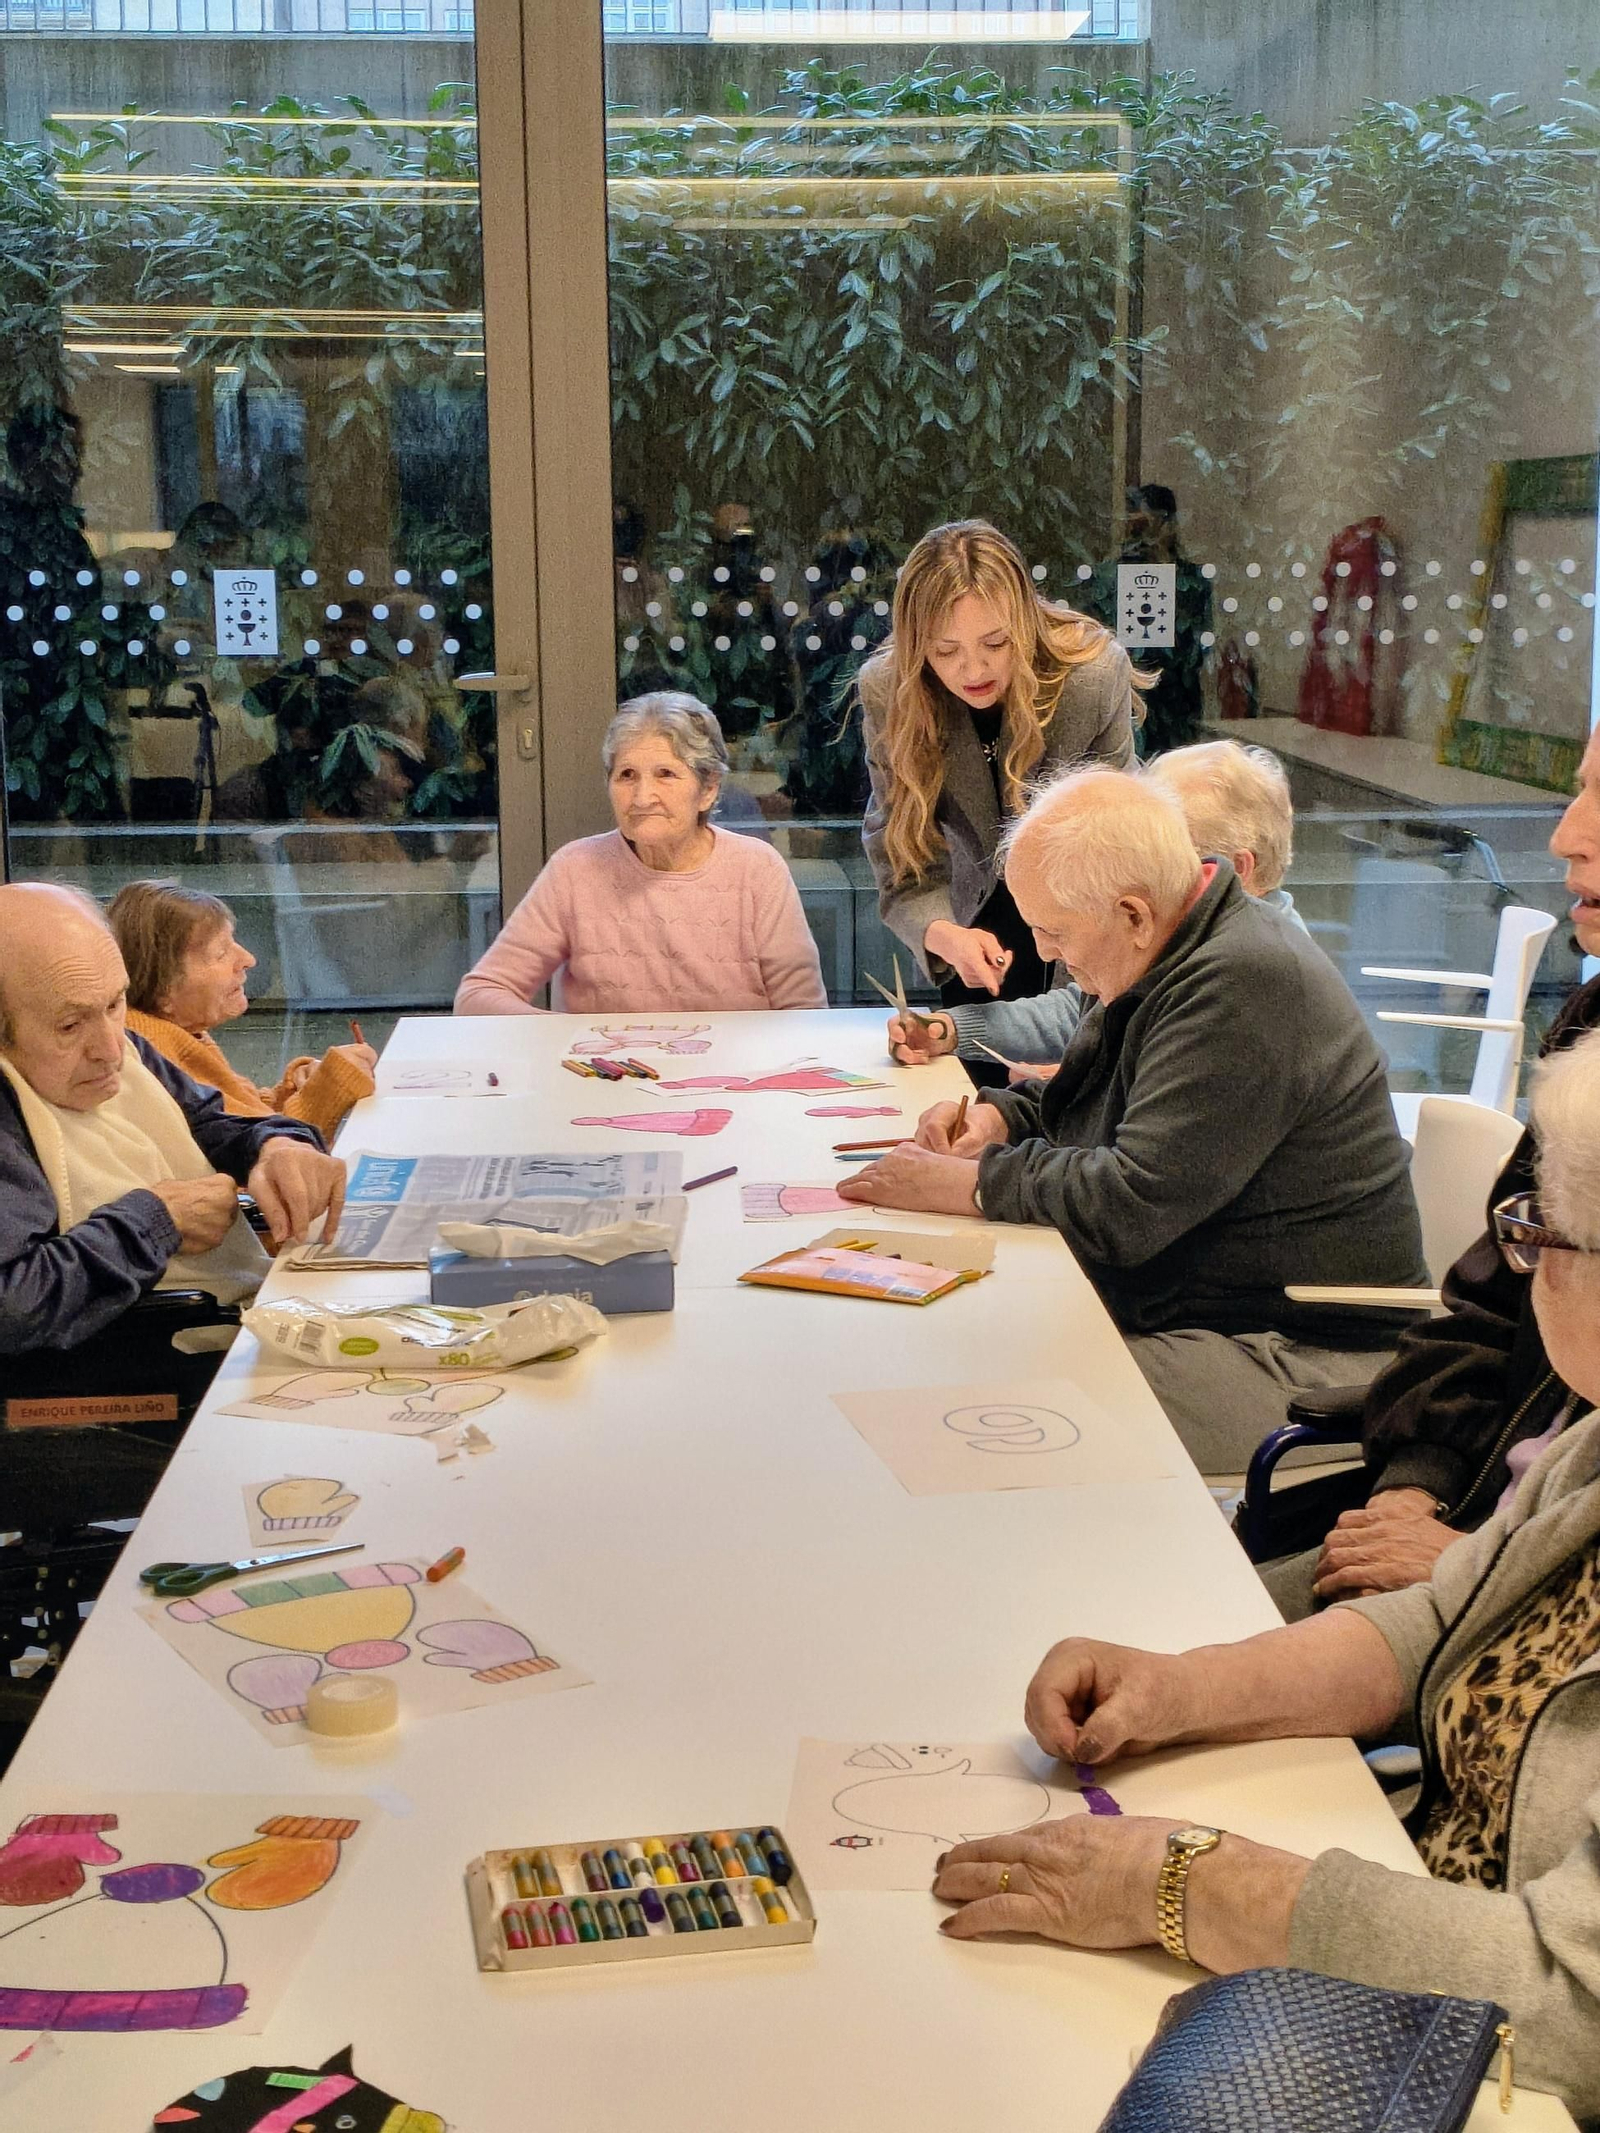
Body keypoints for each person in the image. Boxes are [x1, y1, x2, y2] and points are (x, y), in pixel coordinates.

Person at [931, 1030, 1600, 2121]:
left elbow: (1574, 2004)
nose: (1521, 1273)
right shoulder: (1591, 1439)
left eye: (1539, 1237)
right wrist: (1184, 1686)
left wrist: (1187, 1881)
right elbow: (1441, 1616)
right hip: (1424, 1919)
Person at [841, 766, 1425, 1473]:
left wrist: (968, 1183)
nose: (1047, 953)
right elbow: (1099, 1105)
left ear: (1134, 914)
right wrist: (999, 1120)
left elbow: (1132, 1201)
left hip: (1304, 1351)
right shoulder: (1176, 940)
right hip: (1208, 1308)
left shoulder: (1241, 981)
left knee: (993, 1407)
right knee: (972, 1350)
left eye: (1053, 933)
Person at [1258, 725, 1600, 1617]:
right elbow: (1489, 1303)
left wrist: (1469, 1564)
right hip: (1468, 1521)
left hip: (1522, 1604)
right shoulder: (1593, 1027)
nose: (1567, 834)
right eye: (1580, 787)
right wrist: (1415, 1483)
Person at [886, 739, 1305, 1075]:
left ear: (1239, 868)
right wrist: (952, 1028)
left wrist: (1070, 1086)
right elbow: (1084, 1012)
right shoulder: (1203, 938)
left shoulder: (1253, 979)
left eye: (1169, 853)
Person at [860, 520, 1144, 1011]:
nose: (974, 670)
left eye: (996, 643)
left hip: (1085, 925)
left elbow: (1122, 849)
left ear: (1026, 626)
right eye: (945, 651)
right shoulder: (893, 690)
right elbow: (899, 847)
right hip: (973, 929)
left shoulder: (1092, 679)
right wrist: (943, 933)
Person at [454, 692, 826, 1015]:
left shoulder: (757, 869)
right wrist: (567, 1037)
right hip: (604, 1082)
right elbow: (479, 996)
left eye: (665, 774)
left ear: (708, 788)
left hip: (729, 1085)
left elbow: (804, 1014)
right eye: (627, 775)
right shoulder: (575, 869)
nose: (642, 797)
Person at [108, 880, 377, 1146]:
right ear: (163, 985)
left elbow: (243, 1114)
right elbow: (260, 1158)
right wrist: (330, 1090)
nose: (248, 959)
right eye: (222, 953)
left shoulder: (179, 1030)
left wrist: (296, 1090)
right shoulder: (154, 1053)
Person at [1084, 483, 1213, 757]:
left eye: (1150, 524)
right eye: (1137, 525)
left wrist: (1165, 566)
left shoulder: (1192, 582)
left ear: (1170, 526)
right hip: (1123, 696)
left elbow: (1197, 651)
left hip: (1175, 705)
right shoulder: (1108, 578)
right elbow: (1095, 637)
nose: (1145, 537)